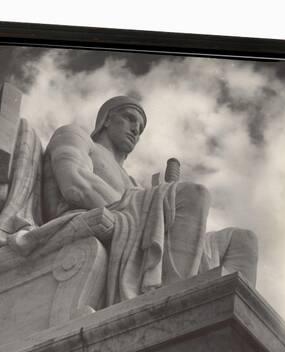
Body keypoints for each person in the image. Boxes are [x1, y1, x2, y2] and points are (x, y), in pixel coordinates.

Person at [42, 96, 258, 305]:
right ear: (107, 119)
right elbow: (74, 182)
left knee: (242, 240)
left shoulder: (132, 182)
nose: (136, 130)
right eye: (129, 118)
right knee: (195, 195)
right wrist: (148, 213)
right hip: (103, 221)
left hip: (133, 229)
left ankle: (232, 317)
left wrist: (154, 211)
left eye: (141, 128)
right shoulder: (77, 137)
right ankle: (172, 303)